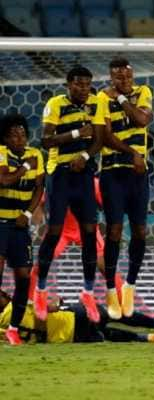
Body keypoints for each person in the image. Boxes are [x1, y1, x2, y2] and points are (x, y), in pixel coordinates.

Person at [36, 66, 104, 324]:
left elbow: (98, 139)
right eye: (79, 84)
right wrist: (77, 134)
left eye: (87, 84)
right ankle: (41, 291)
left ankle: (87, 293)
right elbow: (45, 141)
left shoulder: (96, 103)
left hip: (84, 174)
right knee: (53, 232)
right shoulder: (55, 104)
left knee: (89, 233)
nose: (84, 89)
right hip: (60, 174)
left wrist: (85, 155)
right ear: (68, 84)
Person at [97, 57, 153, 319]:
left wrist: (120, 98)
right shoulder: (100, 98)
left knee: (141, 231)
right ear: (111, 77)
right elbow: (105, 135)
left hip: (138, 174)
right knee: (115, 231)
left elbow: (142, 120)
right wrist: (133, 153)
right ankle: (110, 289)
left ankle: (129, 285)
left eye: (127, 76)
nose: (124, 81)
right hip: (112, 171)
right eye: (118, 77)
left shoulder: (143, 92)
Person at [0, 114, 44, 345]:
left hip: (19, 226)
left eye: (23, 134)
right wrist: (25, 166)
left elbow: (39, 187)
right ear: (5, 138)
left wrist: (27, 214)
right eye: (14, 135)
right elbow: (4, 181)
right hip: (0, 223)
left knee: (24, 277)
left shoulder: (35, 154)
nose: (20, 138)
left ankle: (13, 328)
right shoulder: (1, 153)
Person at [0, 289, 154, 344]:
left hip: (68, 338)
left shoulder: (2, 326)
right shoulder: (18, 303)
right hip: (73, 318)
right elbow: (51, 308)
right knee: (114, 314)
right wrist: (56, 299)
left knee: (107, 334)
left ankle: (151, 338)